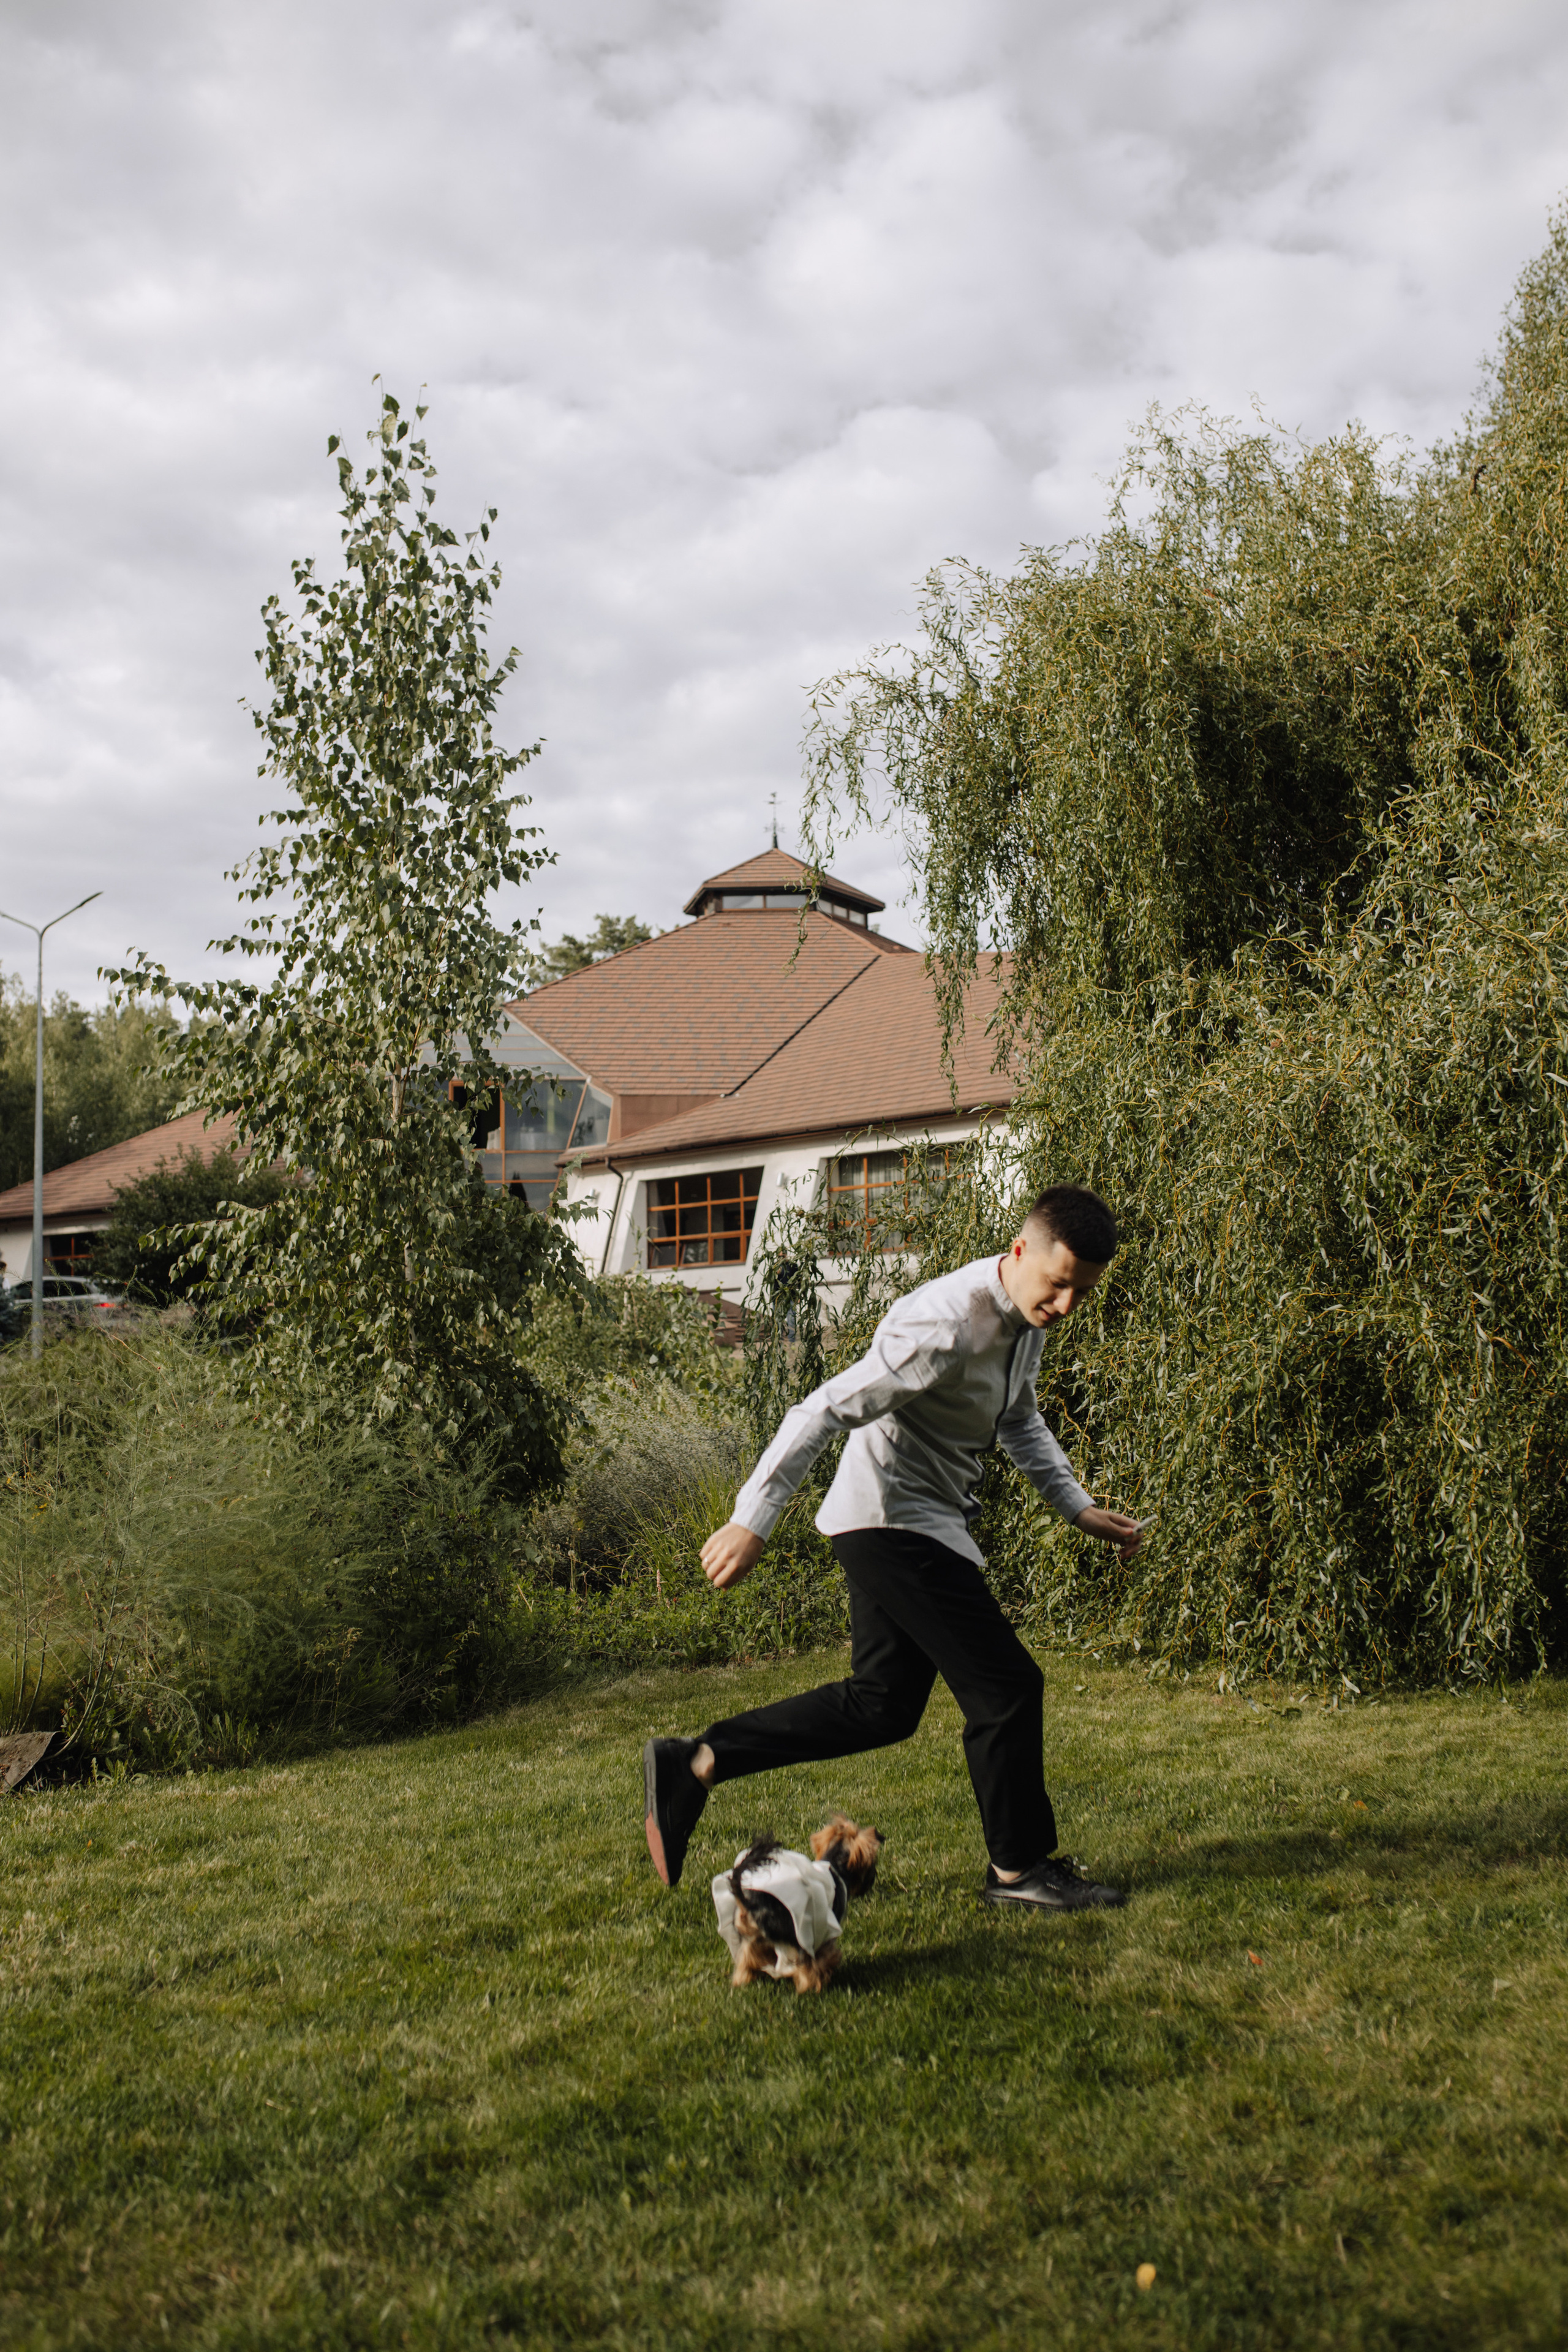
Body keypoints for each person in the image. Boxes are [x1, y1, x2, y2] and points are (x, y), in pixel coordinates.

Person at [642, 1183, 1147, 1912]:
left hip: (918, 1519)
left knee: (881, 1706)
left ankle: (696, 1762)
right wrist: (753, 1518)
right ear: (1018, 1253)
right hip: (889, 1518)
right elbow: (821, 1408)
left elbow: (1019, 1419)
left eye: (1081, 1294)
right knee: (1005, 1687)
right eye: (1059, 1285)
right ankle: (1019, 1869)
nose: (1066, 1307)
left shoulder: (1027, 1319)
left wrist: (1077, 1506)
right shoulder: (941, 1325)